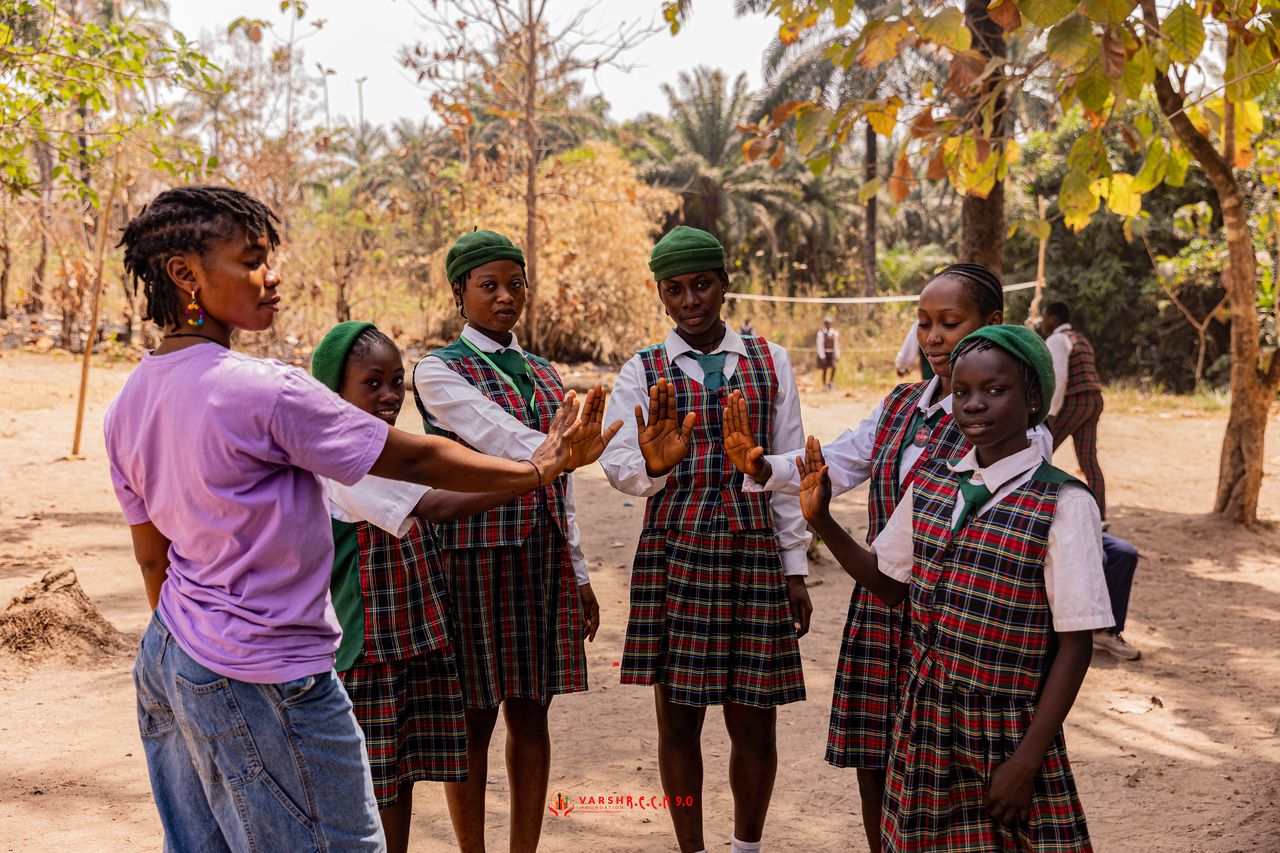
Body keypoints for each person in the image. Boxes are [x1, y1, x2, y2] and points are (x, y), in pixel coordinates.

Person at [107, 187, 587, 852]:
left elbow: (153, 560)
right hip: (269, 665)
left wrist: (196, 651)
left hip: (174, 653)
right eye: (251, 261)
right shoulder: (263, 389)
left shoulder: (130, 397)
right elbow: (416, 459)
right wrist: (541, 467)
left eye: (269, 258)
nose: (271, 276)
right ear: (184, 274)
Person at [723, 264, 1052, 852]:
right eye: (923, 323)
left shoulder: (1017, 429)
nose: (932, 337)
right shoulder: (903, 405)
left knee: (956, 767)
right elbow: (843, 459)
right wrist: (763, 465)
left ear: (992, 325)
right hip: (881, 599)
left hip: (958, 620)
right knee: (876, 753)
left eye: (950, 323)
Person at [799, 324, 1110, 851]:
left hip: (1007, 729)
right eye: (962, 393)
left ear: (1033, 398)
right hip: (923, 720)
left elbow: (1076, 645)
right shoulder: (933, 484)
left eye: (995, 391)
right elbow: (889, 584)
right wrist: (823, 520)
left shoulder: (1063, 503)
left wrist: (1027, 759)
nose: (974, 406)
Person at [599, 226, 812, 853]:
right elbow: (619, 469)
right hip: (676, 552)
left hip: (753, 554)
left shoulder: (770, 361)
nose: (690, 300)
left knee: (755, 724)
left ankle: (746, 845)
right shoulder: (642, 370)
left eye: (702, 284)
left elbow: (789, 463)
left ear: (724, 283)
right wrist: (656, 465)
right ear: (660, 294)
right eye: (675, 289)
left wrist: (794, 568)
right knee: (678, 722)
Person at [412, 229, 621, 852]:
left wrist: (579, 572)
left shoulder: (542, 371)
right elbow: (500, 437)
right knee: (473, 718)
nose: (505, 297)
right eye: (489, 286)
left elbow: (559, 489)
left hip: (539, 558)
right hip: (470, 560)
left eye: (515, 284)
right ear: (460, 293)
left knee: (533, 714)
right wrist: (564, 451)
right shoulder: (439, 370)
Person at [312, 321, 533, 852]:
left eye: (396, 382)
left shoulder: (385, 446)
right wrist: (531, 474)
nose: (389, 396)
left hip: (411, 638)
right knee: (376, 785)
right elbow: (437, 502)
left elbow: (437, 478)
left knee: (401, 776)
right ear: (335, 391)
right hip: (368, 648)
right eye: (372, 383)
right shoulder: (344, 457)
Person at [1041, 301, 1107, 519]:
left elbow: (1059, 378)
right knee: (1089, 460)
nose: (1042, 322)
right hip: (1094, 401)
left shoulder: (1057, 339)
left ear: (1053, 319)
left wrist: (1050, 413)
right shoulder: (1081, 338)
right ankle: (1100, 517)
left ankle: (1036, 505)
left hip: (1075, 401)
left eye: (1044, 317)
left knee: (1042, 451)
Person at [1095, 533, 1142, 661]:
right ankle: (1077, 631)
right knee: (1098, 558)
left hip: (1089, 528)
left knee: (1124, 553)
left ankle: (1104, 631)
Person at [817, 316, 840, 390]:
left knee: (834, 367)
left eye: (829, 323)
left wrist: (837, 354)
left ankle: (830, 382)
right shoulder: (821, 333)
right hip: (824, 353)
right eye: (826, 323)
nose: (828, 325)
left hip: (832, 353)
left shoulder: (834, 333)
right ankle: (824, 385)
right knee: (825, 369)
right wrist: (822, 356)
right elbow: (819, 345)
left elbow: (836, 344)